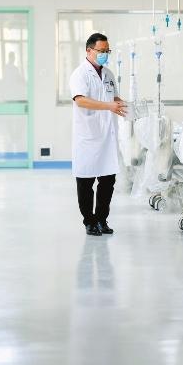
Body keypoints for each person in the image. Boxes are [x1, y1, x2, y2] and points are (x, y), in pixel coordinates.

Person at [69, 33, 127, 236]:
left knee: (108, 181)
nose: (105, 54)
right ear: (89, 50)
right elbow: (80, 100)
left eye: (107, 51)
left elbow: (113, 97)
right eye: (101, 51)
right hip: (88, 136)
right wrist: (109, 106)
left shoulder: (108, 74)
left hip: (107, 136)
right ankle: (89, 221)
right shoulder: (80, 74)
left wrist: (123, 104)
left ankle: (102, 219)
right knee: (86, 182)